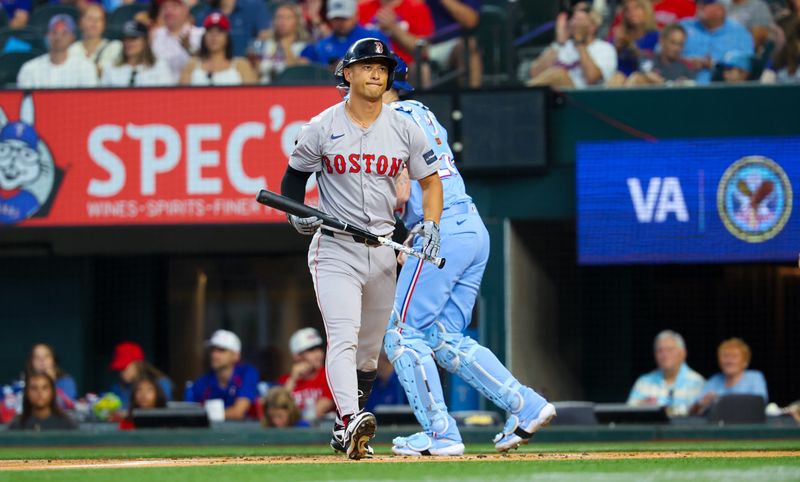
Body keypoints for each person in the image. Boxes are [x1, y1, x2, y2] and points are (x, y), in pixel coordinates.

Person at [354, 55, 555, 457]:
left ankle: (440, 432)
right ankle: (525, 405)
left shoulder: (388, 119)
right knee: (442, 337)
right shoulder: (424, 112)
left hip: (439, 229)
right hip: (470, 228)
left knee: (399, 332)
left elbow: (402, 191)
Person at [280, 38, 443, 459]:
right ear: (347, 74)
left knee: (369, 354)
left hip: (384, 246)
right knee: (343, 336)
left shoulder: (404, 126)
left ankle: (343, 427)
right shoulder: (322, 125)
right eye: (367, 65)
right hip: (336, 246)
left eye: (382, 67)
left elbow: (430, 181)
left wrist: (431, 223)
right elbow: (292, 180)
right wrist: (297, 214)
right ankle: (353, 418)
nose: (376, 73)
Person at [528, 1, 618, 88]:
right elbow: (534, 73)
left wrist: (579, 42)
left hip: (584, 99)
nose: (575, 16)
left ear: (592, 27)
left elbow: (592, 78)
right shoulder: (563, 46)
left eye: (580, 19)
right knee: (556, 75)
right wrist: (559, 43)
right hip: (555, 99)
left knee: (559, 75)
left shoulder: (604, 48)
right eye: (574, 17)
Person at [184, 329, 259, 420]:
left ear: (236, 356)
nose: (214, 355)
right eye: (212, 350)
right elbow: (190, 416)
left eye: (221, 350)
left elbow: (238, 412)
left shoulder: (247, 372)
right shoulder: (201, 382)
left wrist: (206, 415)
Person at [626, 330, 705, 416]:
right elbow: (629, 415)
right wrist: (641, 408)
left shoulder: (698, 383)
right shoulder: (643, 383)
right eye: (660, 350)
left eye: (669, 350)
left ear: (683, 353)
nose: (664, 355)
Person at [300, 0, 391, 69]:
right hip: (331, 90)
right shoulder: (322, 45)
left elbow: (388, 66)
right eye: (336, 18)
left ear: (356, 15)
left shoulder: (374, 38)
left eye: (344, 18)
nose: (340, 23)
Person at [681, 0, 754, 84]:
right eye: (698, 3)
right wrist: (685, 63)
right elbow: (663, 56)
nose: (699, 6)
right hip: (684, 88)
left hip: (724, 90)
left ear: (721, 9)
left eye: (706, 3)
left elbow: (745, 68)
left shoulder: (740, 34)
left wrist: (715, 65)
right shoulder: (684, 27)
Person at [17, 15, 99, 89]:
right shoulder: (30, 69)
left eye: (64, 33)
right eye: (54, 32)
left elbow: (90, 101)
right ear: (47, 35)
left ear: (72, 37)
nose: (58, 37)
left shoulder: (85, 67)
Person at [691, 337, 768, 414]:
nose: (729, 361)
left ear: (745, 362)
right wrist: (702, 403)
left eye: (734, 356)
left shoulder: (754, 378)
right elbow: (692, 410)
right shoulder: (715, 380)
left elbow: (759, 404)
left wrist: (722, 403)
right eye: (725, 356)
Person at [179, 13, 257, 85]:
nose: (214, 36)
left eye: (219, 31)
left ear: (227, 37)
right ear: (204, 37)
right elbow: (181, 95)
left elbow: (253, 95)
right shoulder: (193, 65)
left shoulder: (240, 65)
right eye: (210, 31)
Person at [277, 327, 335, 420]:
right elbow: (277, 412)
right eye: (311, 350)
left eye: (319, 348)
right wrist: (293, 380)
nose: (319, 354)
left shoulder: (329, 375)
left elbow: (317, 411)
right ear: (297, 356)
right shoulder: (285, 380)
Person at [358, 0, 434, 67]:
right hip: (368, 65)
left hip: (404, 68)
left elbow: (422, 50)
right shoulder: (361, 9)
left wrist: (393, 28)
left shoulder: (417, 8)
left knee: (422, 68)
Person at [424, 0, 481, 87]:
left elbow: (470, 21)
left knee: (468, 46)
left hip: (451, 44)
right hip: (416, 44)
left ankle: (471, 98)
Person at [101, 21, 174, 87]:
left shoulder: (159, 67)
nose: (128, 43)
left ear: (145, 41)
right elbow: (103, 97)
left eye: (133, 38)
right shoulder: (111, 67)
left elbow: (166, 96)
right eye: (125, 38)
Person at [150, 0, 205, 83]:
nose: (168, 11)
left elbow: (209, 63)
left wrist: (189, 48)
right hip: (160, 90)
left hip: (192, 90)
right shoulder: (155, 35)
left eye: (174, 6)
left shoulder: (200, 34)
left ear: (185, 9)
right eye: (164, 7)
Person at [109, 341, 173, 410]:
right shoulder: (117, 388)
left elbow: (163, 411)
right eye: (119, 369)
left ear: (138, 364)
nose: (122, 373)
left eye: (124, 367)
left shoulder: (161, 383)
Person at [626, 23, 697, 86]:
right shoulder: (649, 58)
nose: (677, 48)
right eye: (673, 43)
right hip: (649, 98)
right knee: (637, 77)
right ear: (662, 41)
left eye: (680, 44)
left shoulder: (687, 67)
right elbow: (646, 73)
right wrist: (666, 83)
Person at [255, 2, 309, 83]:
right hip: (264, 89)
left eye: (287, 18)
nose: (282, 21)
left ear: (297, 22)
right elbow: (257, 73)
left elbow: (298, 74)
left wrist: (286, 47)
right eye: (279, 17)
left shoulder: (305, 48)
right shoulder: (266, 44)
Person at [195, 0, 271, 57]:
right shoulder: (205, 14)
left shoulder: (254, 6)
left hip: (247, 64)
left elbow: (265, 37)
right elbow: (198, 46)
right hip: (215, 65)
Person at [607, 0, 660, 82]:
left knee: (637, 78)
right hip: (619, 78)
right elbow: (605, 58)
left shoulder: (656, 37)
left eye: (636, 8)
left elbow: (651, 62)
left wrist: (631, 46)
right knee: (617, 78)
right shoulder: (619, 35)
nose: (632, 13)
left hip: (645, 80)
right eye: (627, 10)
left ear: (646, 10)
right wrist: (617, 46)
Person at [8, 373, 78, 431]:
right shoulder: (17, 424)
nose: (39, 393)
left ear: (52, 392)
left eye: (45, 388)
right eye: (34, 388)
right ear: (27, 392)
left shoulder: (66, 423)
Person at [67, 4, 123, 73]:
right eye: (90, 18)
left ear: (104, 25)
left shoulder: (115, 47)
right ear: (81, 23)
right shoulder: (72, 49)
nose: (94, 23)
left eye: (98, 19)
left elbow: (109, 73)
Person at [24, 343, 77, 411]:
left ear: (53, 360)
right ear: (31, 362)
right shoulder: (25, 384)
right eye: (37, 357)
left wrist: (51, 382)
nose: (42, 361)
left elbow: (66, 405)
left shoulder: (66, 382)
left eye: (46, 356)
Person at [762, 17, 800, 82]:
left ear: (788, 34)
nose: (772, 39)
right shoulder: (776, 58)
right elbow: (764, 86)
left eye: (776, 34)